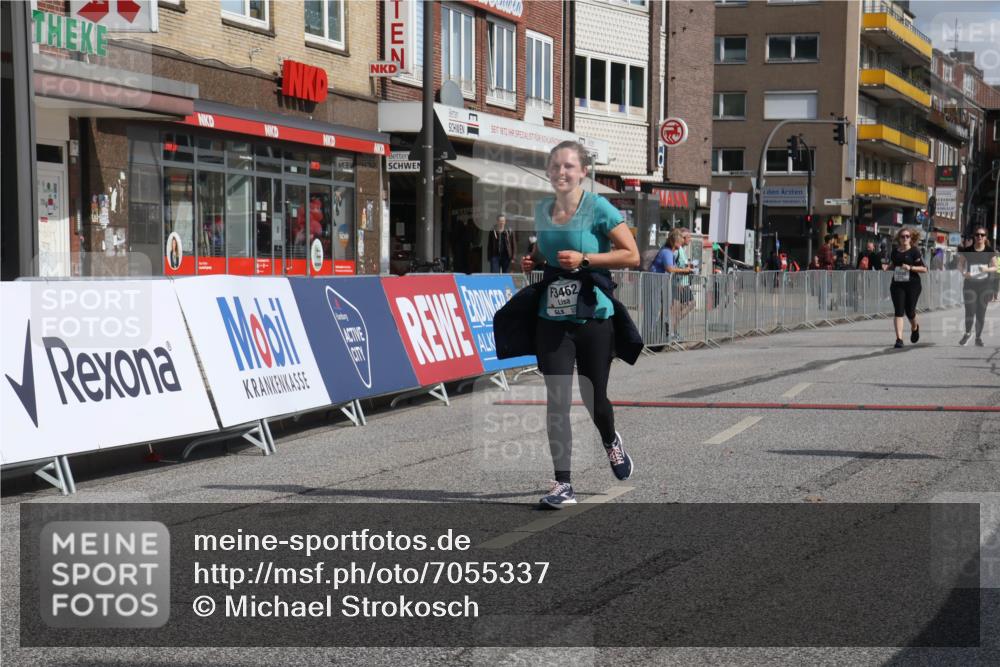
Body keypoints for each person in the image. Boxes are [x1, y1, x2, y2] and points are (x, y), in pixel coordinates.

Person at [517, 140, 641, 508]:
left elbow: (631, 255)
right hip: (551, 318)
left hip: (592, 317)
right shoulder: (542, 209)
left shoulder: (598, 207)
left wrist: (586, 259)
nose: (561, 172)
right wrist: (534, 261)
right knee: (556, 402)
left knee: (593, 399)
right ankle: (562, 484)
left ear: (583, 172)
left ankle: (610, 440)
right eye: (555, 166)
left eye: (569, 166)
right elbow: (546, 251)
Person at [886, 226, 927, 348]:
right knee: (898, 311)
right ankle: (899, 339)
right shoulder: (895, 252)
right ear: (899, 238)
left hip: (912, 285)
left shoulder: (915, 251)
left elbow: (924, 269)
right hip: (897, 285)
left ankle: (915, 327)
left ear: (910, 238)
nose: (905, 238)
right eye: (902, 236)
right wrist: (887, 267)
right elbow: (894, 264)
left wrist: (911, 267)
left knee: (910, 311)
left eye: (907, 236)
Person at [957, 225, 998, 346]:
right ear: (974, 237)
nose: (979, 237)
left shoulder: (990, 251)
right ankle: (968, 333)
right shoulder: (968, 250)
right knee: (970, 310)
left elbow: (995, 267)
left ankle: (978, 338)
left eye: (982, 235)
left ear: (985, 237)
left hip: (985, 286)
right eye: (977, 235)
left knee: (981, 312)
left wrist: (986, 269)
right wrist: (964, 273)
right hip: (970, 285)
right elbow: (960, 264)